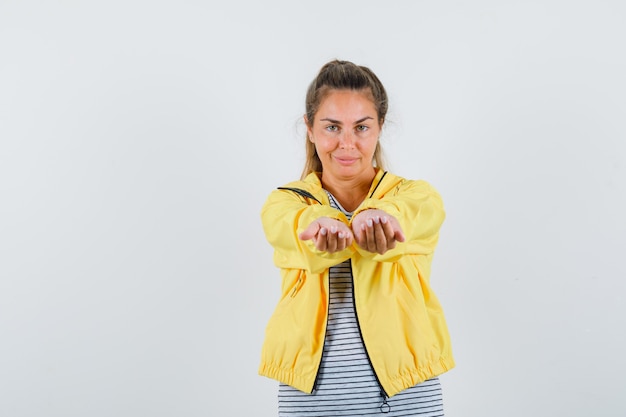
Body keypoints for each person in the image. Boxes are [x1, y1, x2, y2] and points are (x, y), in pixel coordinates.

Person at [258, 59, 455, 416]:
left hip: (406, 396)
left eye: (361, 127)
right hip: (311, 400)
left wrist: (377, 216)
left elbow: (415, 214)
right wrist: (325, 224)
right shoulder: (284, 201)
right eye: (332, 127)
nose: (346, 143)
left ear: (379, 127)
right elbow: (293, 226)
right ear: (310, 128)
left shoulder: (415, 195)